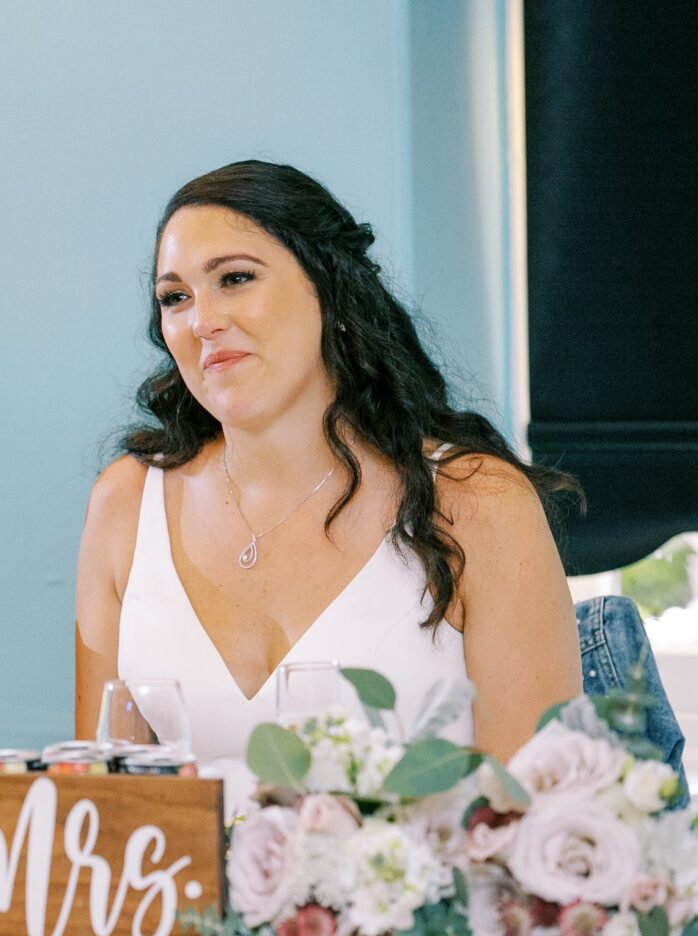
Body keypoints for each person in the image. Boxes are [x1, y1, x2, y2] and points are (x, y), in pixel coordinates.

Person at [75, 161, 580, 766]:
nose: (202, 321)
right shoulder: (127, 503)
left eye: (235, 278)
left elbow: (534, 814)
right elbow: (101, 815)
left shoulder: (477, 503)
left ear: (332, 291)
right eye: (175, 297)